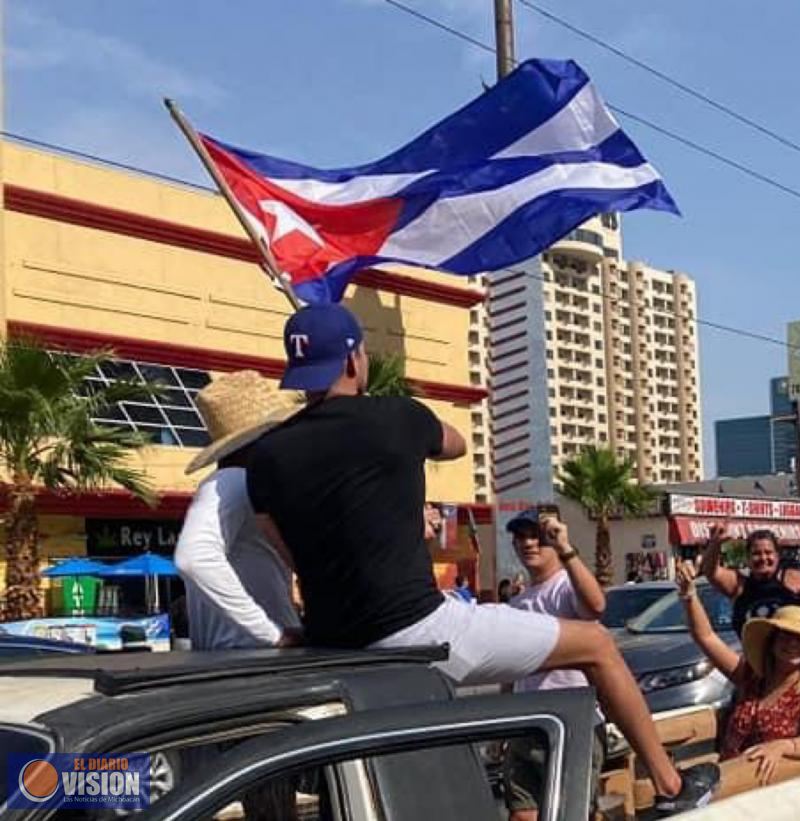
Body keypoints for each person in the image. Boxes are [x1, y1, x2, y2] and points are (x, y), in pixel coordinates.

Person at [246, 303, 717, 813]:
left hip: (334, 640)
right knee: (598, 644)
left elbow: (287, 553)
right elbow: (455, 444)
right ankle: (669, 784)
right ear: (354, 362)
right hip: (420, 629)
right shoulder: (396, 418)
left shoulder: (267, 456)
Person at [676, 561, 800, 785]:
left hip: (764, 793)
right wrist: (689, 595)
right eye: (786, 636)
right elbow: (706, 637)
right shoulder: (750, 677)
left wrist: (782, 746)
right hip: (726, 783)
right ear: (772, 643)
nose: (794, 644)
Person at [174, 371, 303, 650]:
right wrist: (272, 633)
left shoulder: (236, 484)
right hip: (247, 657)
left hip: (243, 654)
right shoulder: (232, 481)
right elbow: (193, 559)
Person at [503, 509, 607, 821]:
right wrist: (502, 728)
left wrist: (566, 548)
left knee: (569, 815)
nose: (528, 543)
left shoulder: (565, 586)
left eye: (536, 535)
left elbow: (595, 606)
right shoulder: (517, 603)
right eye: (520, 537)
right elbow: (510, 668)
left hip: (572, 727)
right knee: (522, 814)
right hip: (526, 726)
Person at [699, 525, 800, 637]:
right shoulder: (739, 585)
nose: (763, 558)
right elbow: (710, 571)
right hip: (754, 661)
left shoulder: (795, 580)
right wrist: (715, 544)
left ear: (777, 556)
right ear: (747, 558)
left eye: (768, 552)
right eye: (756, 553)